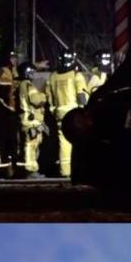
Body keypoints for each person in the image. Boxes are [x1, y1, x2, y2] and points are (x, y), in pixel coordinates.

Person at [45, 50, 88, 178]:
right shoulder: (76, 75)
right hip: (75, 114)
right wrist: (84, 110)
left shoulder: (53, 76)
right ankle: (78, 169)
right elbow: (82, 96)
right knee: (80, 142)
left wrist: (54, 110)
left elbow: (49, 97)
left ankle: (65, 170)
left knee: (63, 141)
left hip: (59, 113)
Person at [16, 62, 48, 178]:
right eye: (32, 72)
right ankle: (30, 171)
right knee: (31, 145)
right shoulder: (28, 85)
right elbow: (36, 100)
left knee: (31, 144)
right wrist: (44, 96)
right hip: (31, 121)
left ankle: (29, 169)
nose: (34, 74)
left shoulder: (21, 84)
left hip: (28, 120)